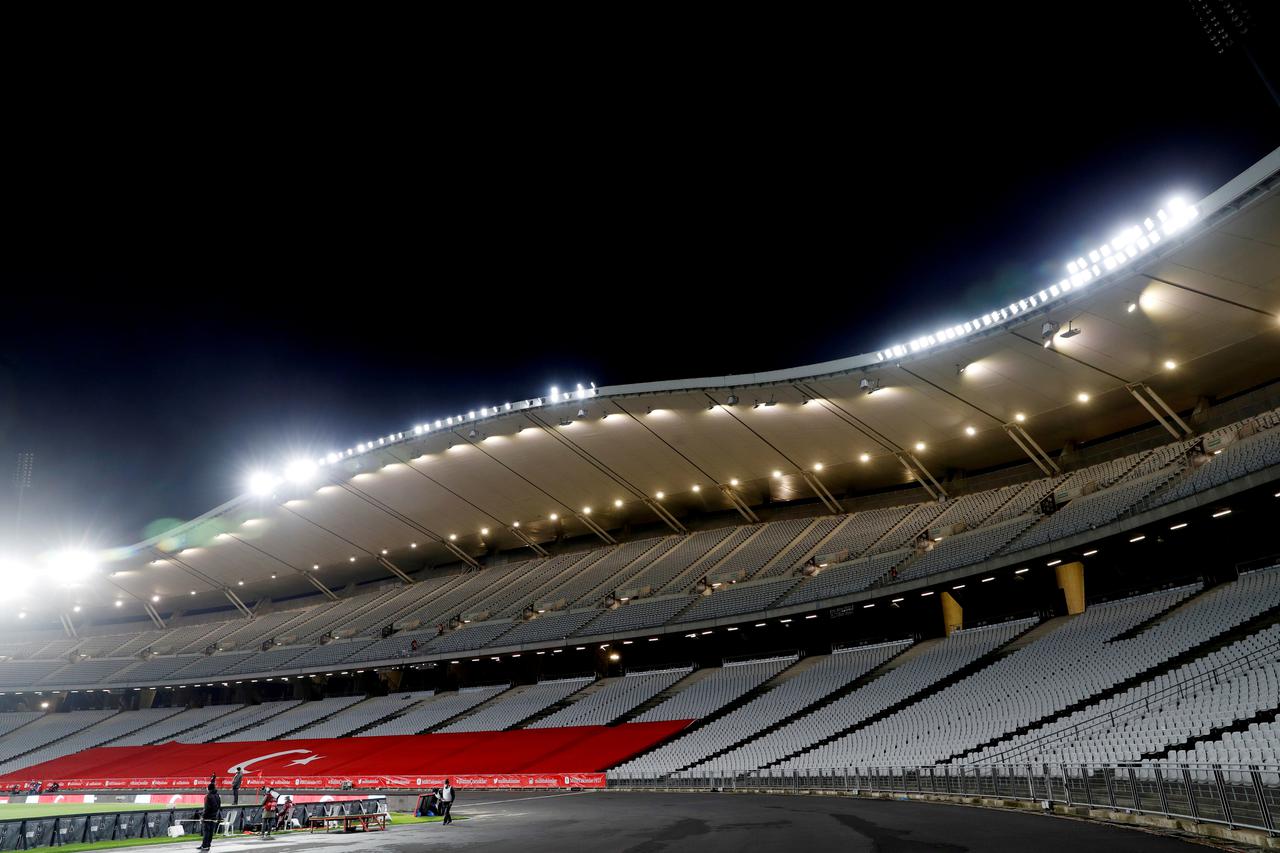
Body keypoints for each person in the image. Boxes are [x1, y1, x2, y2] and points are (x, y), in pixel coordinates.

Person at [198, 778, 220, 852]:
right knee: (210, 832)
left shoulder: (208, 796)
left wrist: (203, 816)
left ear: (208, 789)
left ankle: (204, 846)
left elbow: (206, 808)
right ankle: (207, 845)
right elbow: (218, 806)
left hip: (207, 817)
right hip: (214, 816)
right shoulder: (217, 795)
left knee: (206, 832)